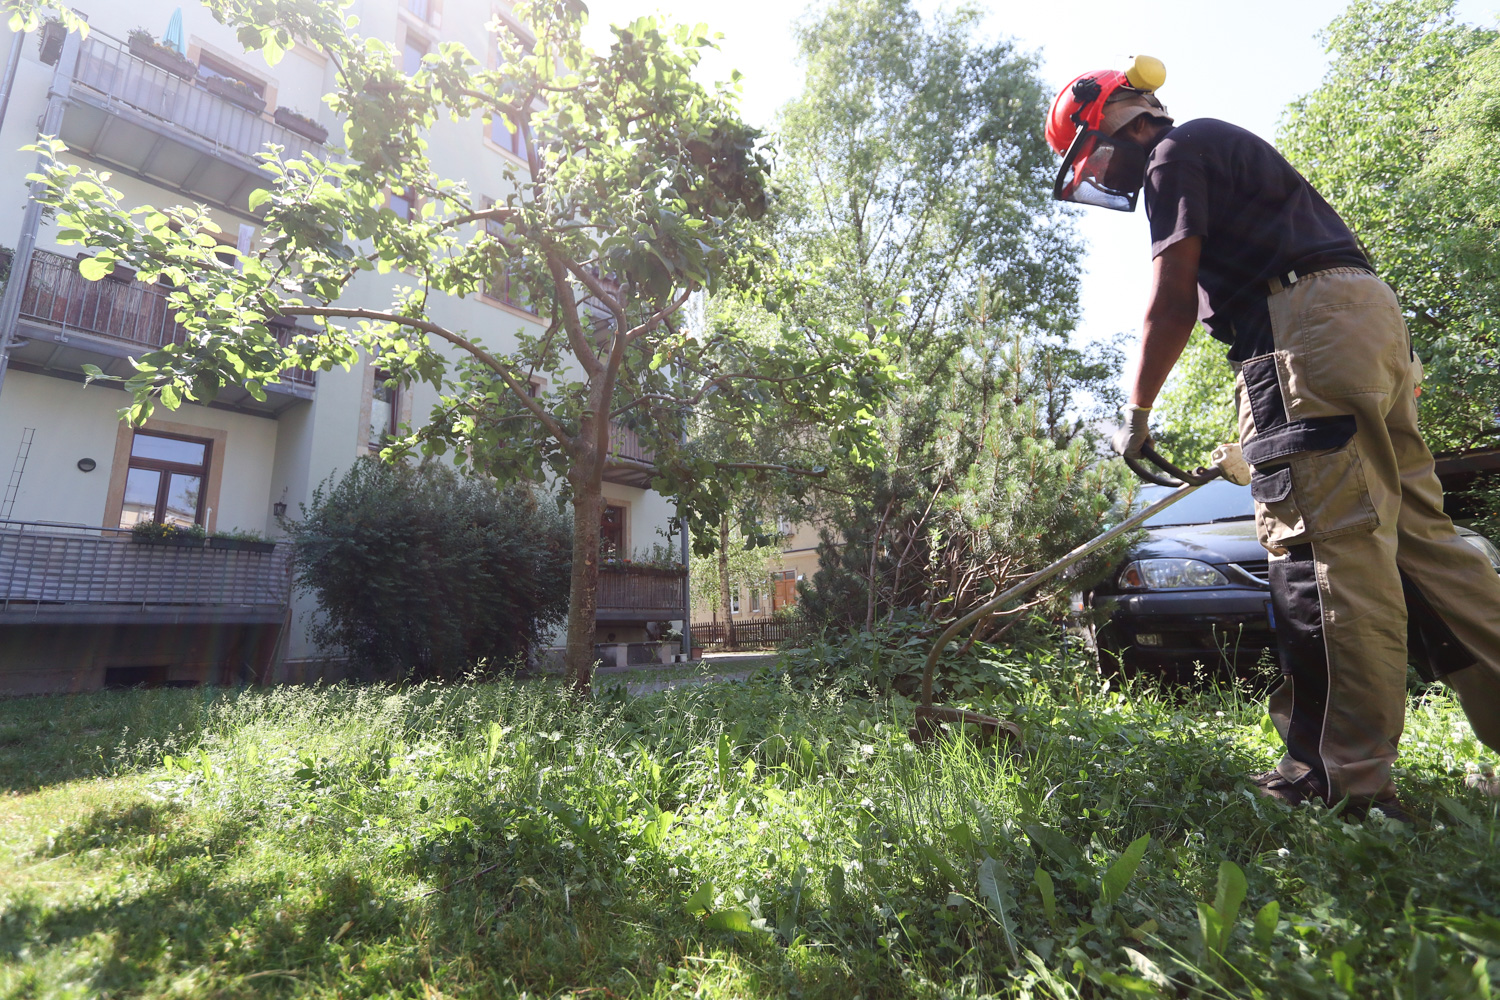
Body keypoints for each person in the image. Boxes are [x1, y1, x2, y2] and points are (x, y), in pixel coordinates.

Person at [1045, 57, 1500, 818]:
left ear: (1117, 114)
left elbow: (1172, 299)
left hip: (1304, 330)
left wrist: (1136, 414)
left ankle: (1335, 779)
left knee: (1324, 549)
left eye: (1092, 153)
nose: (1101, 172)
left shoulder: (1173, 153)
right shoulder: (1227, 156)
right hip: (1364, 324)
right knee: (1424, 546)